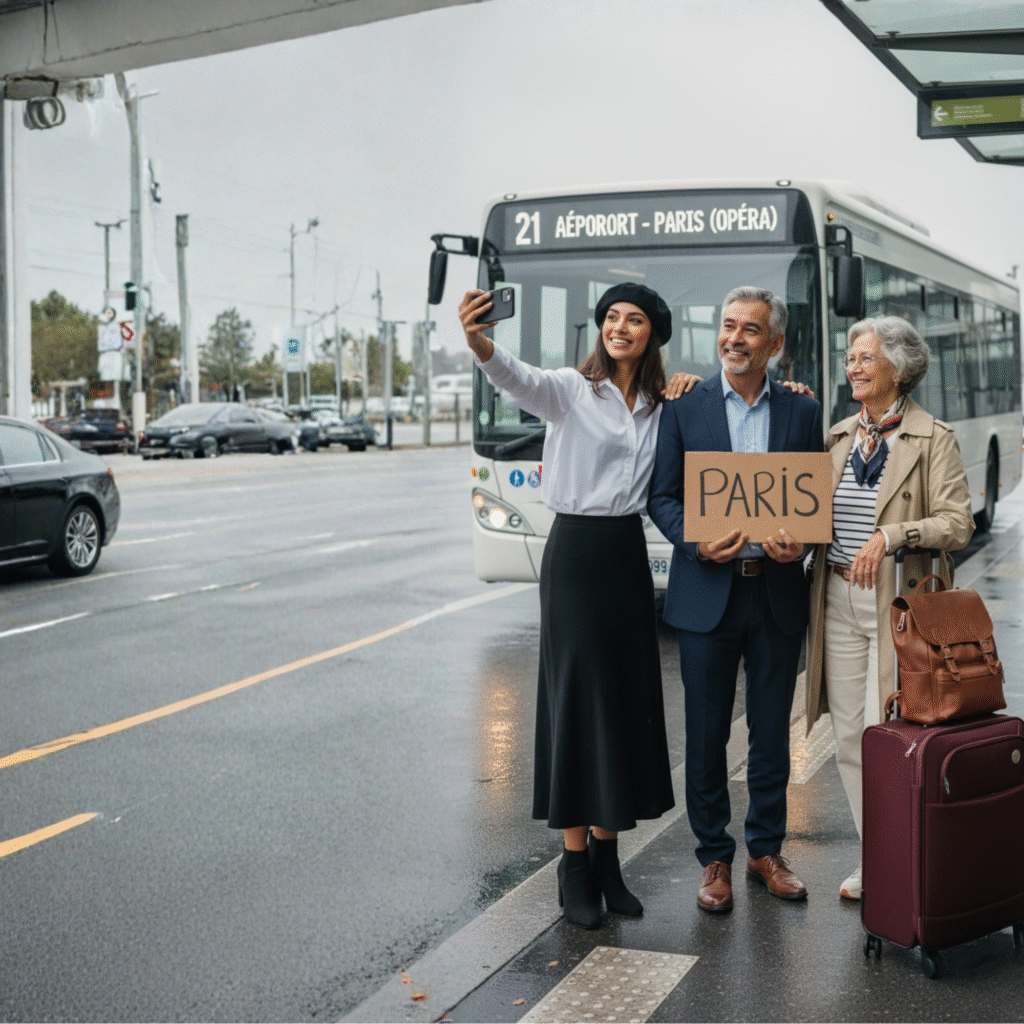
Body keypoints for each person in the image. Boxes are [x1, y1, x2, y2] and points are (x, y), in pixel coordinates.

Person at [459, 282, 698, 930]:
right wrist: (481, 343)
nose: (621, 326)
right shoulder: (570, 389)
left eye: (635, 319)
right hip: (576, 557)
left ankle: (608, 860)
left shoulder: (659, 405)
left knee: (619, 708)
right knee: (576, 706)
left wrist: (693, 387)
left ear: (653, 334)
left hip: (625, 553)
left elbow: (683, 468)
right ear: (601, 328)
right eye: (612, 317)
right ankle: (573, 868)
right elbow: (514, 377)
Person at [648, 285, 823, 914]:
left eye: (751, 330)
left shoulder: (802, 413)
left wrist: (796, 546)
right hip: (706, 597)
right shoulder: (684, 407)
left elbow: (811, 506)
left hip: (775, 595)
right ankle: (714, 858)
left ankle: (765, 850)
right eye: (728, 326)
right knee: (705, 735)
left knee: (772, 733)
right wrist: (697, 545)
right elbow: (662, 497)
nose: (735, 338)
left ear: (774, 343)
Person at [804, 316, 973, 901]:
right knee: (851, 735)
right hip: (835, 596)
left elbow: (958, 523)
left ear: (896, 369)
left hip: (898, 605)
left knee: (891, 730)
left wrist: (894, 534)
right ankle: (875, 857)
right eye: (850, 356)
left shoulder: (933, 437)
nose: (852, 365)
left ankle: (912, 858)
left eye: (864, 356)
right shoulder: (837, 436)